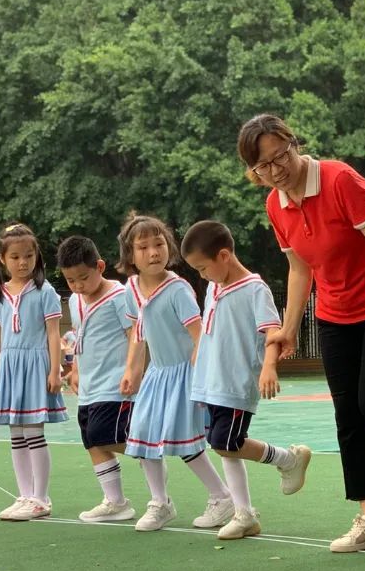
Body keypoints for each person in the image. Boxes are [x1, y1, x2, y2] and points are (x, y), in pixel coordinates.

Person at [237, 114, 365, 554]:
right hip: (335, 316)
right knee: (348, 417)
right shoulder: (276, 204)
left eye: (281, 156)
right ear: (254, 173)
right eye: (265, 167)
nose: (278, 170)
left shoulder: (339, 180)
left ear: (294, 144)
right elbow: (300, 268)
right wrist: (289, 328)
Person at [181, 220, 313, 540]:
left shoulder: (255, 289)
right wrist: (200, 351)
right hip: (212, 381)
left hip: (237, 383)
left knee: (226, 443)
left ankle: (287, 460)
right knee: (226, 447)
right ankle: (244, 514)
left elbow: (272, 331)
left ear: (224, 256)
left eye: (202, 268)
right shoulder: (215, 286)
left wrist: (268, 367)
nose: (202, 276)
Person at [117, 214, 233, 532]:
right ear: (130, 255)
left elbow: (199, 338)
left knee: (188, 444)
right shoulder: (132, 289)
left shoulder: (178, 289)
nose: (154, 252)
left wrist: (200, 376)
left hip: (185, 375)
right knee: (142, 438)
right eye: (143, 247)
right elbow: (138, 334)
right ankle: (160, 503)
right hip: (158, 375)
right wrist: (131, 369)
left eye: (159, 244)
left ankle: (222, 497)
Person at [0, 223, 67, 521]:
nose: (23, 263)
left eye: (29, 256)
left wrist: (54, 369)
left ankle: (41, 498)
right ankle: (24, 495)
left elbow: (53, 333)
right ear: (2, 259)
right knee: (16, 433)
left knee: (34, 432)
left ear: (37, 256)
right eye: (16, 257)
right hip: (9, 367)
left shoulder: (44, 290)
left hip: (36, 365)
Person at [57, 236, 137, 524]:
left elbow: (134, 335)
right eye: (70, 280)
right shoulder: (76, 301)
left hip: (115, 384)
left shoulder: (120, 296)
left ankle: (148, 454)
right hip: (89, 385)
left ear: (100, 266)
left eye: (83, 278)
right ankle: (116, 502)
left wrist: (131, 370)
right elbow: (80, 338)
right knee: (92, 440)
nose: (77, 286)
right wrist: (75, 369)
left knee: (108, 435)